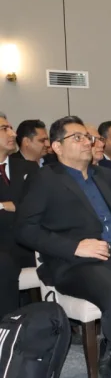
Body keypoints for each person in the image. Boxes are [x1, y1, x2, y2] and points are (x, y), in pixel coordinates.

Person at [15, 116, 111, 378]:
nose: (87, 142)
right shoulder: (44, 179)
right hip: (75, 262)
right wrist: (76, 247)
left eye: (87, 137)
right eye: (77, 137)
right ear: (57, 147)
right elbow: (25, 230)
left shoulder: (106, 175)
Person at [0, 114, 39, 318]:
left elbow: (36, 206)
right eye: (4, 129)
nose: (13, 134)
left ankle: (55, 322)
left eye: (11, 128)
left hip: (29, 242)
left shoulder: (28, 168)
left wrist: (10, 206)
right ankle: (8, 328)